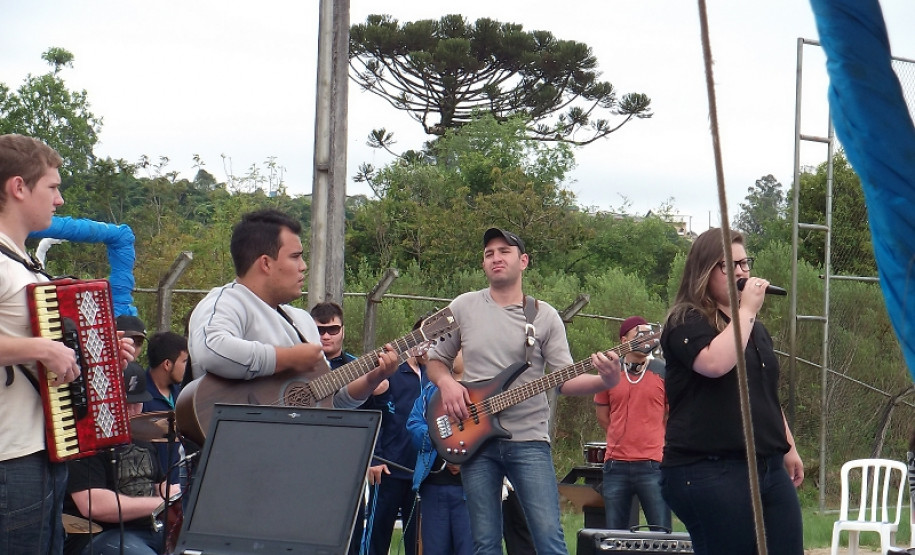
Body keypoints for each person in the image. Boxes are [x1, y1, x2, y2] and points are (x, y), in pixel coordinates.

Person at [426, 227, 622, 555]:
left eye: (504, 251)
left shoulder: (544, 316)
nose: (495, 258)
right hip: (475, 443)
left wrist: (607, 381)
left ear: (524, 261)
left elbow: (564, 380)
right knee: (485, 542)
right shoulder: (462, 306)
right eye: (489, 253)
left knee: (548, 539)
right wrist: (447, 384)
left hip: (529, 441)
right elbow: (435, 360)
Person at [0, 134, 135, 554]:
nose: (59, 201)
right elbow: (38, 348)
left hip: (42, 449)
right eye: (52, 187)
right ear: (18, 187)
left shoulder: (23, 262)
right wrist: (41, 349)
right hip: (11, 455)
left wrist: (101, 351)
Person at [659, 227, 804, 555]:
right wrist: (748, 310)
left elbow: (765, 392)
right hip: (709, 467)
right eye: (729, 266)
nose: (741, 272)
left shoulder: (754, 329)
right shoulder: (686, 320)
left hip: (766, 464)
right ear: (704, 271)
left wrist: (789, 447)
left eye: (744, 263)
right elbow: (713, 364)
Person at [187, 209, 398, 407]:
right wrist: (288, 358)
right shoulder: (227, 302)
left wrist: (373, 377)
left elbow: (330, 403)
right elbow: (212, 349)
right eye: (295, 256)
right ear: (266, 263)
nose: (303, 266)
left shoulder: (302, 320)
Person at [64, 365, 181, 555]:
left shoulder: (143, 438)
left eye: (138, 403)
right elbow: (93, 504)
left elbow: (160, 485)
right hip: (104, 534)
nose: (133, 412)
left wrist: (177, 497)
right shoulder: (85, 441)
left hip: (150, 529)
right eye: (124, 405)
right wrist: (162, 504)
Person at [593, 315, 670, 530]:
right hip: (616, 465)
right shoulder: (609, 373)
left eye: (649, 332)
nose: (646, 337)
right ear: (624, 340)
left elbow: (671, 414)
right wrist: (623, 439)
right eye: (639, 333)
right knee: (615, 537)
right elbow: (603, 416)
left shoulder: (663, 371)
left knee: (661, 532)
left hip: (653, 464)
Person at [360, 319, 426, 555]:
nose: (428, 347)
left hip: (419, 474)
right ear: (413, 340)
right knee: (376, 538)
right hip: (387, 470)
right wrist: (374, 458)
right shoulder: (392, 372)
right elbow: (373, 414)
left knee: (417, 543)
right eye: (424, 340)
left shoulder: (435, 377)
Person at [408, 349, 472, 555]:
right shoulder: (429, 391)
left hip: (473, 489)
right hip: (434, 486)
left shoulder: (485, 389)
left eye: (459, 347)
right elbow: (413, 426)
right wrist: (445, 442)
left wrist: (464, 456)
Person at [142, 331, 189, 486]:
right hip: (155, 492)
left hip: (182, 484)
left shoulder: (182, 394)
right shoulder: (138, 399)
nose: (186, 367)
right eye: (184, 361)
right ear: (167, 364)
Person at [311, 301, 357, 370]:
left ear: (343, 331)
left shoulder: (355, 364)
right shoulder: (297, 367)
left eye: (333, 329)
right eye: (319, 330)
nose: (326, 337)